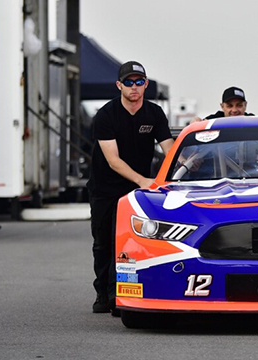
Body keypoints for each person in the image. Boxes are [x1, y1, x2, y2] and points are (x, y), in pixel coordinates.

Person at [87, 61, 174, 315]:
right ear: (119, 85)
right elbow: (113, 161)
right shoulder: (105, 115)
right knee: (103, 241)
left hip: (137, 191)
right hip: (105, 187)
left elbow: (168, 149)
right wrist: (143, 181)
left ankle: (124, 294)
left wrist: (179, 172)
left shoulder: (154, 113)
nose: (134, 87)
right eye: (128, 82)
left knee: (132, 242)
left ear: (146, 84)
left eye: (139, 82)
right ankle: (103, 293)